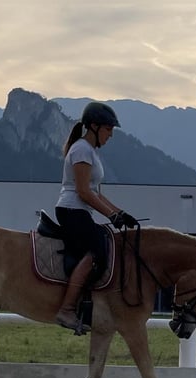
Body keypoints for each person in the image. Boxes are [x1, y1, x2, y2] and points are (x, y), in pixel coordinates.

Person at [54, 101, 138, 333]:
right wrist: (112, 215)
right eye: (108, 129)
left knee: (104, 244)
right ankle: (67, 309)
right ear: (94, 126)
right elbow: (83, 191)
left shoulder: (90, 151)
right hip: (72, 209)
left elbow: (96, 193)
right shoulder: (81, 149)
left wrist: (120, 213)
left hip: (79, 210)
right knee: (97, 252)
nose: (111, 134)